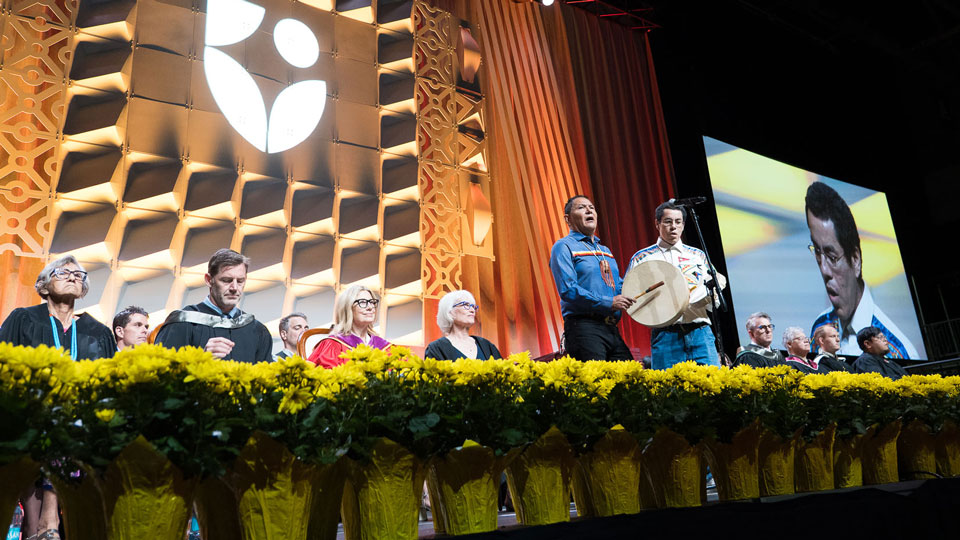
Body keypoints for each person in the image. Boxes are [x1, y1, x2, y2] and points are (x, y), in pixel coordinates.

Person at [0, 255, 117, 540]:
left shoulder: (99, 332)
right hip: (28, 420)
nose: (74, 276)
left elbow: (109, 386)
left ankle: (49, 522)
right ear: (43, 286)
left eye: (79, 274)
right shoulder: (23, 319)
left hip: (79, 430)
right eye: (63, 272)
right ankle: (43, 524)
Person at [805, 182, 919, 359]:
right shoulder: (821, 326)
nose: (824, 270)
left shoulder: (897, 350)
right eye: (817, 253)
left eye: (832, 256)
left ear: (856, 260)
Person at [628, 200, 726, 368]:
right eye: (668, 221)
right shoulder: (642, 258)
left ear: (683, 225)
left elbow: (717, 282)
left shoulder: (697, 255)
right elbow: (632, 295)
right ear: (657, 224)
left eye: (678, 222)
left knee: (712, 388)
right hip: (666, 335)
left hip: (700, 332)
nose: (673, 226)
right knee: (669, 391)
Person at [549, 195, 635, 361]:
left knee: (631, 381)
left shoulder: (605, 250)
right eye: (581, 207)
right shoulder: (563, 246)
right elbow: (568, 290)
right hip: (584, 328)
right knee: (597, 384)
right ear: (568, 219)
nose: (589, 210)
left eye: (592, 207)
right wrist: (608, 302)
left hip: (611, 328)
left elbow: (618, 286)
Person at [155, 249, 272, 363]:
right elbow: (162, 375)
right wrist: (201, 360)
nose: (234, 288)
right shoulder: (182, 322)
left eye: (240, 281)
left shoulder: (257, 330)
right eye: (226, 280)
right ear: (209, 280)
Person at [306, 284, 390, 368]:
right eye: (363, 302)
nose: (370, 307)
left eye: (372, 302)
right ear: (348, 308)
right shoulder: (333, 345)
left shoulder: (383, 346)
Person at [424, 290, 502, 360]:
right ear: (450, 312)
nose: (472, 310)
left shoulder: (486, 345)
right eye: (466, 305)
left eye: (473, 307)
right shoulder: (436, 348)